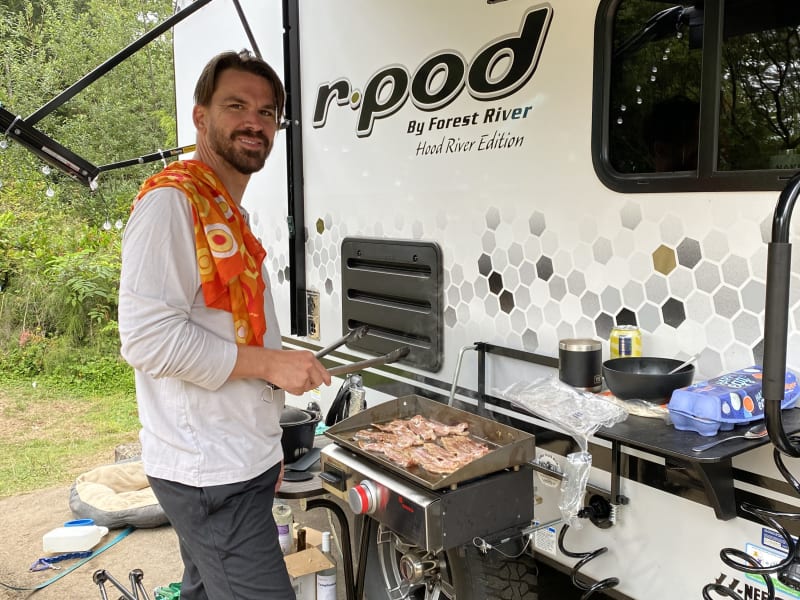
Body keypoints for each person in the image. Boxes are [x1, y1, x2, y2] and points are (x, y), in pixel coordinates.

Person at [118, 49, 331, 599]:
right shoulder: (172, 203)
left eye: (266, 112)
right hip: (209, 473)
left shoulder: (227, 211)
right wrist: (273, 365)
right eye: (236, 105)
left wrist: (267, 437)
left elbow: (223, 332)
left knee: (206, 591)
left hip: (241, 459)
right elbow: (147, 338)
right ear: (200, 116)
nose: (254, 122)